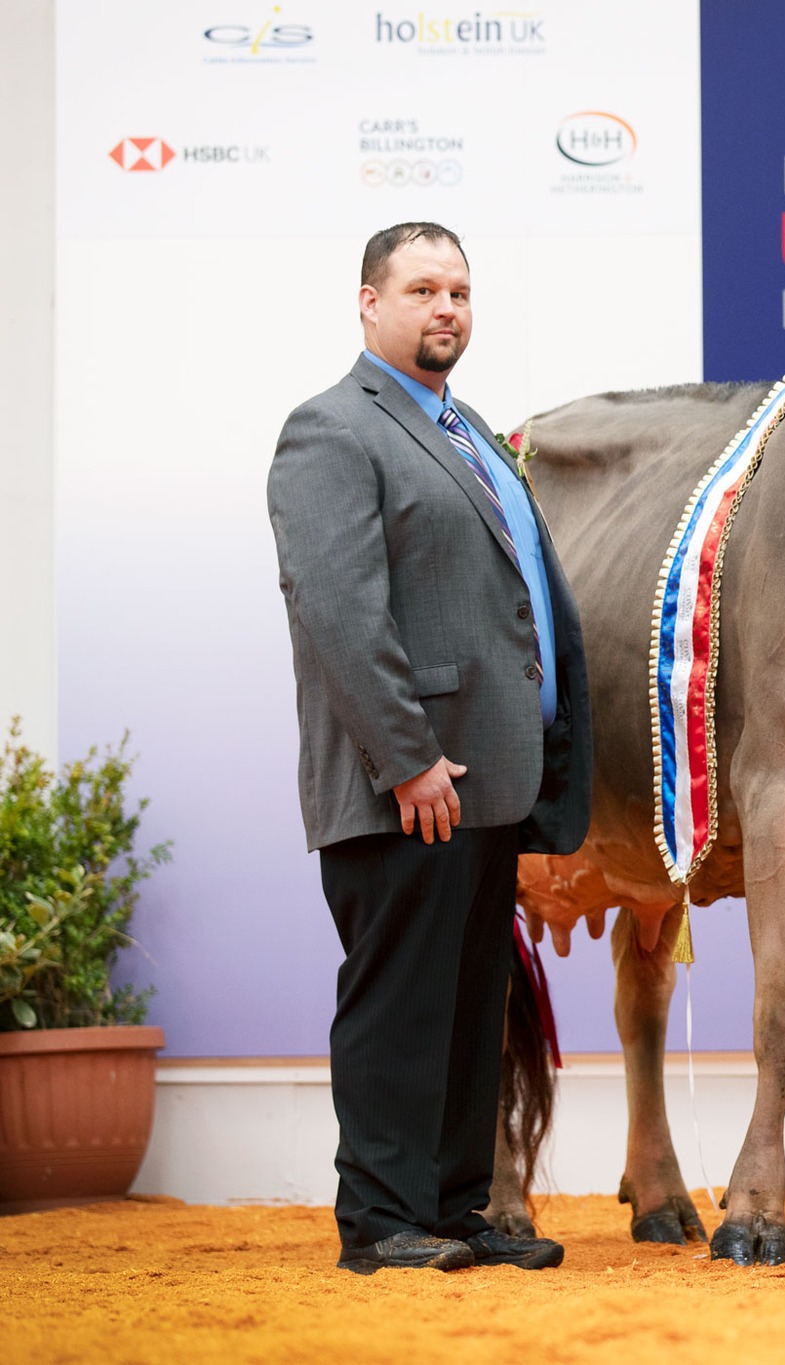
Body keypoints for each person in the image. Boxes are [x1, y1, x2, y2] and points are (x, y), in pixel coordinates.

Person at [267, 222, 593, 1275]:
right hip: (406, 782)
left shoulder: (469, 429)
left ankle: (455, 1211)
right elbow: (340, 614)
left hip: (484, 780)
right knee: (399, 1005)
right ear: (369, 304)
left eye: (458, 290)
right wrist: (406, 757)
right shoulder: (329, 431)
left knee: (465, 1009)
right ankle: (380, 1225)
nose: (444, 307)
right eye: (420, 290)